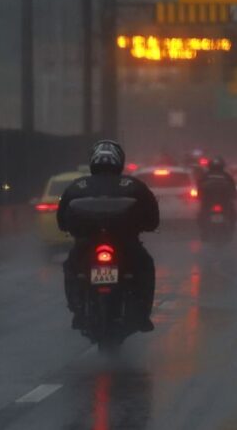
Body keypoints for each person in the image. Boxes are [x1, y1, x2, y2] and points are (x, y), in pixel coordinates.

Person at [57, 139, 159, 332]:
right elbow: (152, 217)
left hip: (87, 244)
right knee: (145, 265)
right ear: (119, 161)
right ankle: (142, 314)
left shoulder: (77, 186)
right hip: (126, 244)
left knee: (71, 266)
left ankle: (77, 308)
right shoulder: (134, 185)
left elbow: (61, 219)